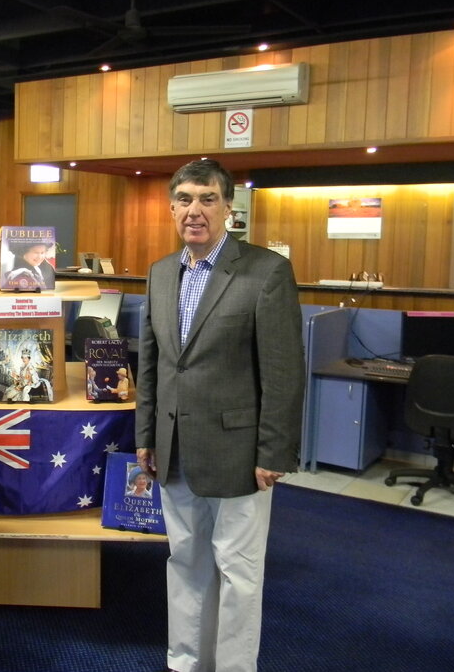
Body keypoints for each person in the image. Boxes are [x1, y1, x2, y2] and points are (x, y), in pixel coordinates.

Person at [135, 159, 304, 672]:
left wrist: (274, 451)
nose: (195, 210)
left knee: (238, 570)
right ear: (171, 208)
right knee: (185, 561)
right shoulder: (161, 273)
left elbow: (282, 373)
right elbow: (153, 365)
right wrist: (146, 436)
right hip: (174, 449)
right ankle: (186, 662)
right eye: (185, 199)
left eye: (207, 199)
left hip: (239, 453)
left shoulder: (265, 272)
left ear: (228, 208)